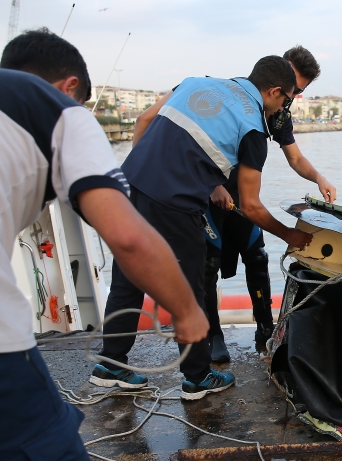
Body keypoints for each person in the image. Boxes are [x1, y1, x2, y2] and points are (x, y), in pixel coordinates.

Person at [0, 28, 208, 461]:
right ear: (70, 86)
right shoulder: (56, 109)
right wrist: (188, 311)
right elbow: (128, 235)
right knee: (52, 454)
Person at [94, 55, 318, 400]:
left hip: (132, 182)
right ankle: (196, 378)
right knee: (193, 287)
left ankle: (110, 364)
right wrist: (290, 235)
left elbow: (144, 120)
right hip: (176, 201)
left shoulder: (197, 83)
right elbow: (251, 206)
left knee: (128, 275)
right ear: (274, 91)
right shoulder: (255, 129)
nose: (283, 110)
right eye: (286, 100)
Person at [202, 45, 335, 362]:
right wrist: (212, 185)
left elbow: (295, 157)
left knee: (257, 257)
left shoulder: (278, 114)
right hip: (211, 195)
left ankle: (265, 329)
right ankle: (213, 336)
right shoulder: (232, 96)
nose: (292, 99)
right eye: (292, 91)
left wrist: (319, 178)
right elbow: (197, 142)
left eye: (298, 92)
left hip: (243, 198)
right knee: (207, 267)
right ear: (278, 79)